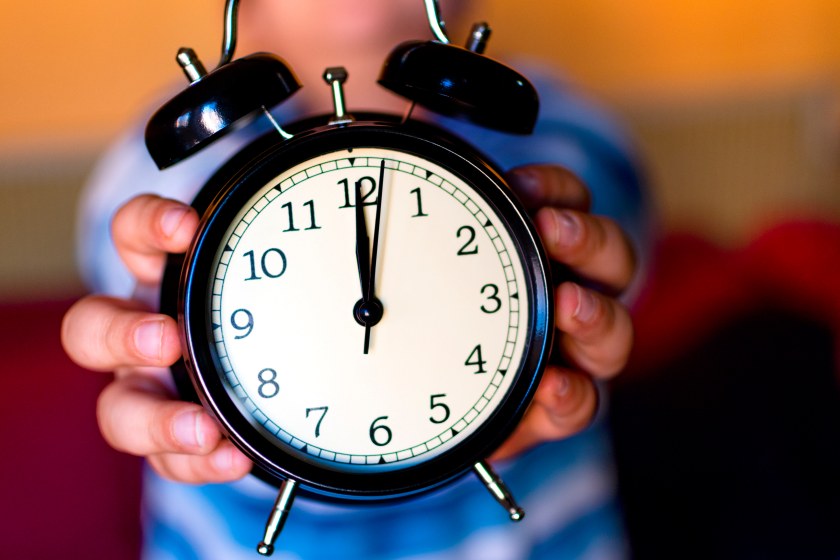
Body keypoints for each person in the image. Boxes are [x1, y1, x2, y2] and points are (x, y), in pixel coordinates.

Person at [62, 1, 648, 557]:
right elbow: (136, 266)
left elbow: (603, 217)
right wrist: (161, 331)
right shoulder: (165, 180)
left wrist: (576, 271)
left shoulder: (563, 138)